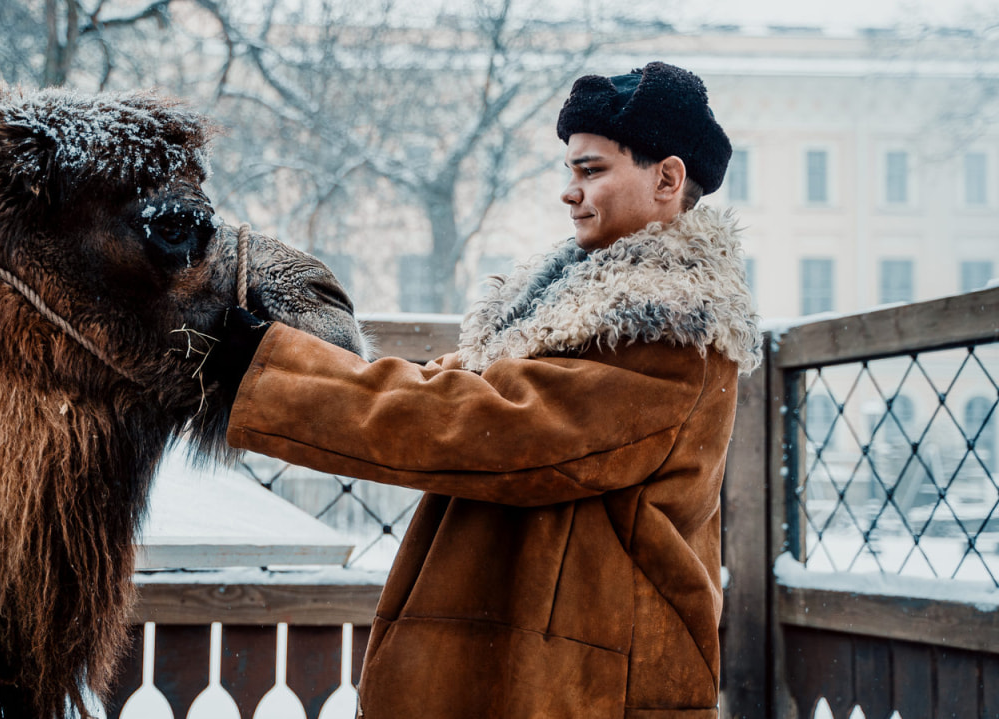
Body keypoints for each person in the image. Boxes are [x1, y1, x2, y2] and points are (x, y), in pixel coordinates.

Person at [212, 61, 761, 719]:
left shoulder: (673, 331)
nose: (570, 192)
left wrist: (274, 373)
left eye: (591, 171)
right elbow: (453, 388)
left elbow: (492, 427)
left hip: (590, 689)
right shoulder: (568, 310)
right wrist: (292, 362)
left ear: (667, 179)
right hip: (534, 673)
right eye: (570, 171)